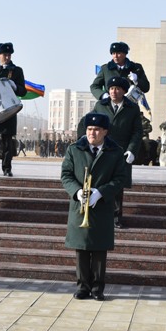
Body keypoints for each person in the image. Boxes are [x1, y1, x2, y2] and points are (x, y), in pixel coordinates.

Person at [61, 112, 126, 301]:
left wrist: (101, 193)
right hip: (79, 206)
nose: (92, 133)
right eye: (89, 129)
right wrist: (77, 192)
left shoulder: (115, 152)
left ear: (105, 131)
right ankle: (82, 286)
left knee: (99, 249)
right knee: (81, 248)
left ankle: (98, 288)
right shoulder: (74, 149)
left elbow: (120, 178)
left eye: (97, 130)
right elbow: (66, 175)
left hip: (102, 206)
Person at [78, 76, 142, 229]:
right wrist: (83, 141)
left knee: (117, 186)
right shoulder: (101, 105)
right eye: (111, 89)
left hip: (121, 153)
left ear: (124, 91)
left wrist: (131, 150)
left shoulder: (132, 108)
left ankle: (116, 218)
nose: (114, 92)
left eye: (117, 89)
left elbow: (137, 132)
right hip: (103, 151)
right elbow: (87, 123)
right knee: (99, 183)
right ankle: (96, 216)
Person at [0, 42, 26, 177]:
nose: (7, 57)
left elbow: (23, 91)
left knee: (8, 142)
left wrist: (15, 86)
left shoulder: (17, 70)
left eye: (9, 55)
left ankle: (7, 168)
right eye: (4, 55)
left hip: (9, 109)